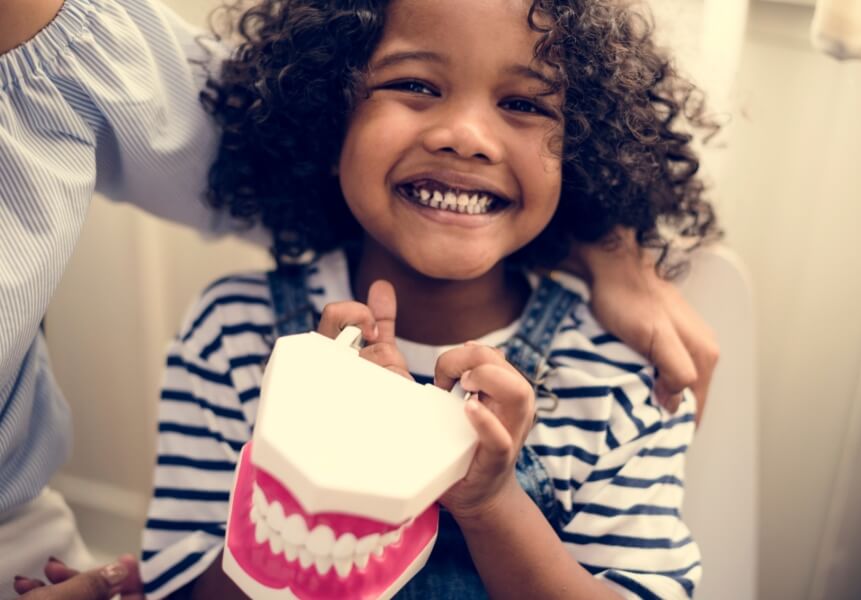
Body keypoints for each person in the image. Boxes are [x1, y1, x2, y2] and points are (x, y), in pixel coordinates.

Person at [1, 0, 718, 594]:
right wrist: (317, 471)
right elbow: (180, 584)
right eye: (416, 85)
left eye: (525, 102)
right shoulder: (234, 334)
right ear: (325, 116)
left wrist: (493, 503)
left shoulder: (618, 378)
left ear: (585, 148)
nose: (467, 136)